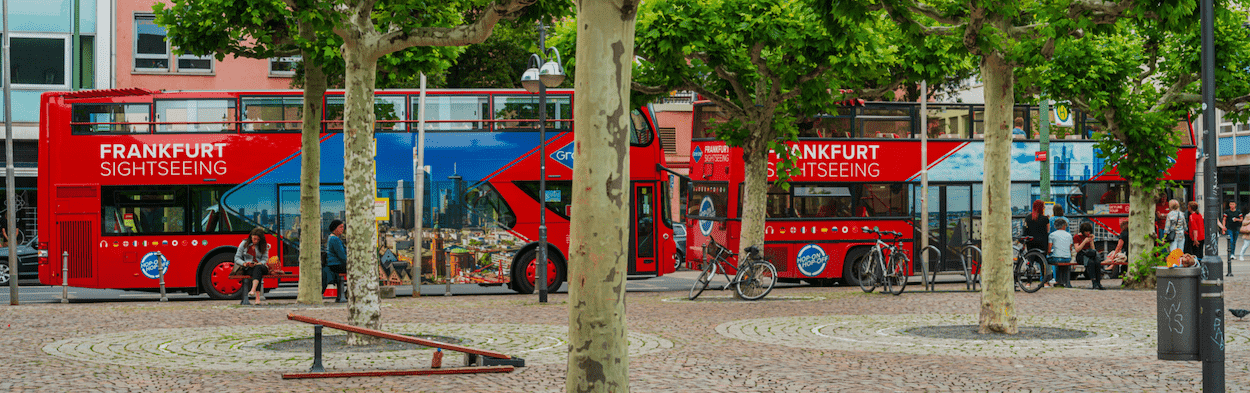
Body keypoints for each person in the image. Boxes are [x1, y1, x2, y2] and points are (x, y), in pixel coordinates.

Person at [234, 227, 270, 305]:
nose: (256, 241)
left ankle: (253, 290)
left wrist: (260, 263)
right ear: (251, 236)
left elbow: (265, 259)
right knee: (257, 272)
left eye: (258, 239)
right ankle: (257, 298)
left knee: (258, 268)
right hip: (248, 267)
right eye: (254, 239)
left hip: (261, 266)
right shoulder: (244, 244)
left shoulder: (264, 245)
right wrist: (244, 263)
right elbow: (237, 258)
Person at [1022, 200, 1051, 284]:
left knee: (1030, 263)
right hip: (1042, 243)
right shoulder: (1045, 219)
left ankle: (1028, 282)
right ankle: (1045, 282)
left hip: (1030, 243)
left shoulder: (1028, 218)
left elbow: (1025, 230)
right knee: (1043, 263)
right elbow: (1048, 231)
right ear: (1042, 208)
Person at [1073, 222, 1103, 290]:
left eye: (1089, 231)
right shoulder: (1077, 237)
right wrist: (1084, 241)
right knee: (1091, 262)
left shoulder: (1089, 237)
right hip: (1081, 255)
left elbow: (1093, 249)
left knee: (1097, 261)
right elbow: (1077, 249)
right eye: (1086, 231)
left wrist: (1091, 240)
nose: (1087, 232)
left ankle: (1098, 282)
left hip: (1089, 254)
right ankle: (1094, 282)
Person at [322, 219, 347, 298]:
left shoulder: (331, 237)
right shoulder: (335, 239)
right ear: (335, 228)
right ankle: (347, 293)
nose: (342, 229)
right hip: (336, 265)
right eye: (340, 227)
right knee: (357, 271)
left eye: (343, 227)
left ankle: (345, 294)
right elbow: (342, 256)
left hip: (333, 264)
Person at [1048, 218, 1074, 288]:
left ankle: (1056, 280)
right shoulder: (1069, 235)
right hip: (1067, 258)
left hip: (1057, 258)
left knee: (1050, 259)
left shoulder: (1052, 235)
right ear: (1064, 226)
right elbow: (1070, 248)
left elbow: (1049, 249)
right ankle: (1067, 282)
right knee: (1065, 262)